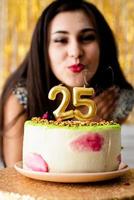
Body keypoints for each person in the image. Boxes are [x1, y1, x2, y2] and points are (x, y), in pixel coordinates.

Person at [0, 0, 134, 168]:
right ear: (44, 49)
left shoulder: (116, 97)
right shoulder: (21, 95)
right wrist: (84, 125)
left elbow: (100, 165)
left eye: (87, 38)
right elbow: (17, 174)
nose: (75, 52)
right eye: (61, 40)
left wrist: (98, 127)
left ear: (102, 44)